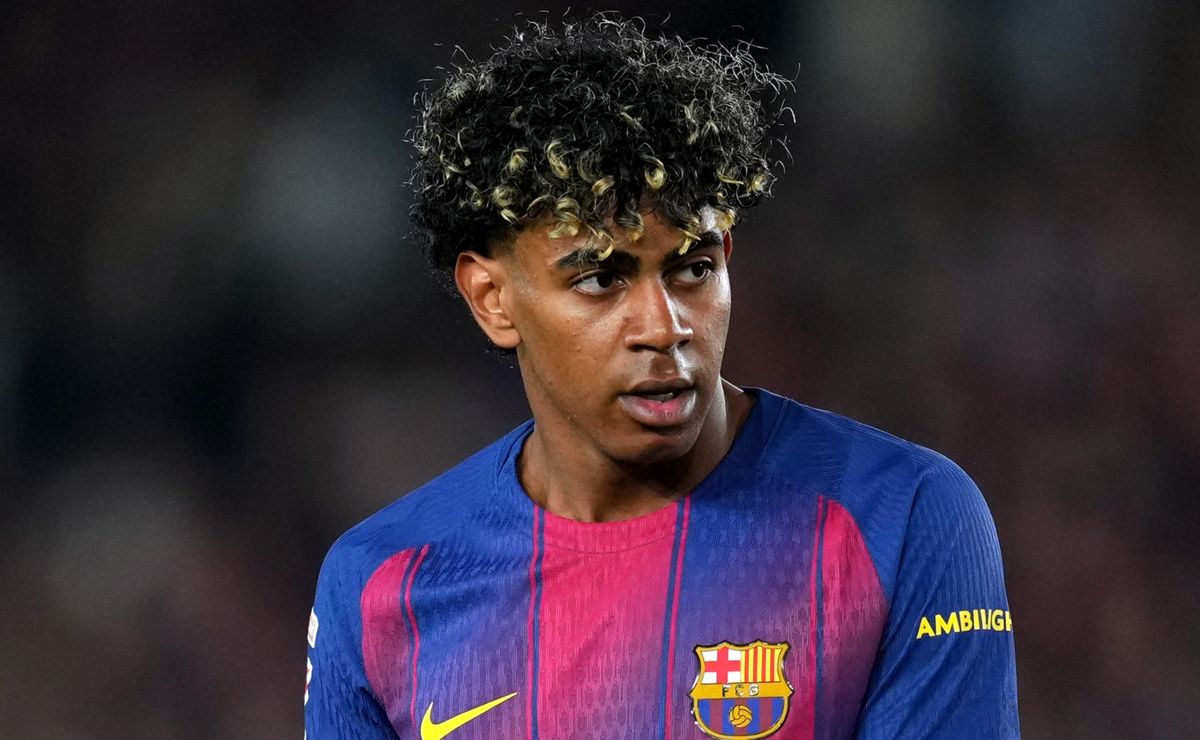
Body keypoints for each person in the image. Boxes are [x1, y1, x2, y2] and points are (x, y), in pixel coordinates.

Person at [304, 15, 1018, 740]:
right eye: (600, 278)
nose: (664, 325)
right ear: (493, 299)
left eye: (693, 269)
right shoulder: (379, 586)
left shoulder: (902, 517)